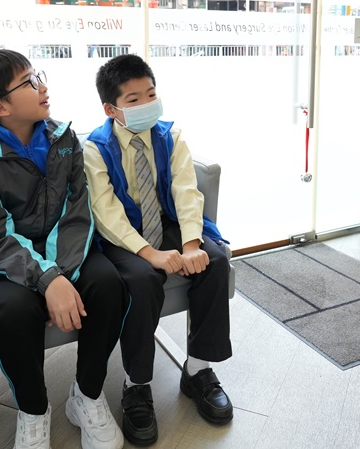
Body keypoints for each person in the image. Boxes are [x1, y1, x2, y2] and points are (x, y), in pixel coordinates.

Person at [0, 50, 127, 449]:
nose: (43, 87)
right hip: (7, 263)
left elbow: (78, 211)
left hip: (69, 251)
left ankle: (86, 396)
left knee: (108, 285)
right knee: (13, 313)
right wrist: (48, 279)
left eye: (39, 76)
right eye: (30, 82)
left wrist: (60, 275)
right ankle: (34, 411)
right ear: (0, 107)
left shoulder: (65, 139)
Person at [83, 54, 232, 446]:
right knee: (141, 279)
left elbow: (186, 191)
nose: (147, 104)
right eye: (134, 99)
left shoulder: (171, 135)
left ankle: (198, 370)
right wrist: (151, 254)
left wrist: (191, 244)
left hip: (165, 223)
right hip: (124, 237)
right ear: (111, 109)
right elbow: (106, 213)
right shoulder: (95, 148)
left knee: (215, 261)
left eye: (151, 94)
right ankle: (136, 385)